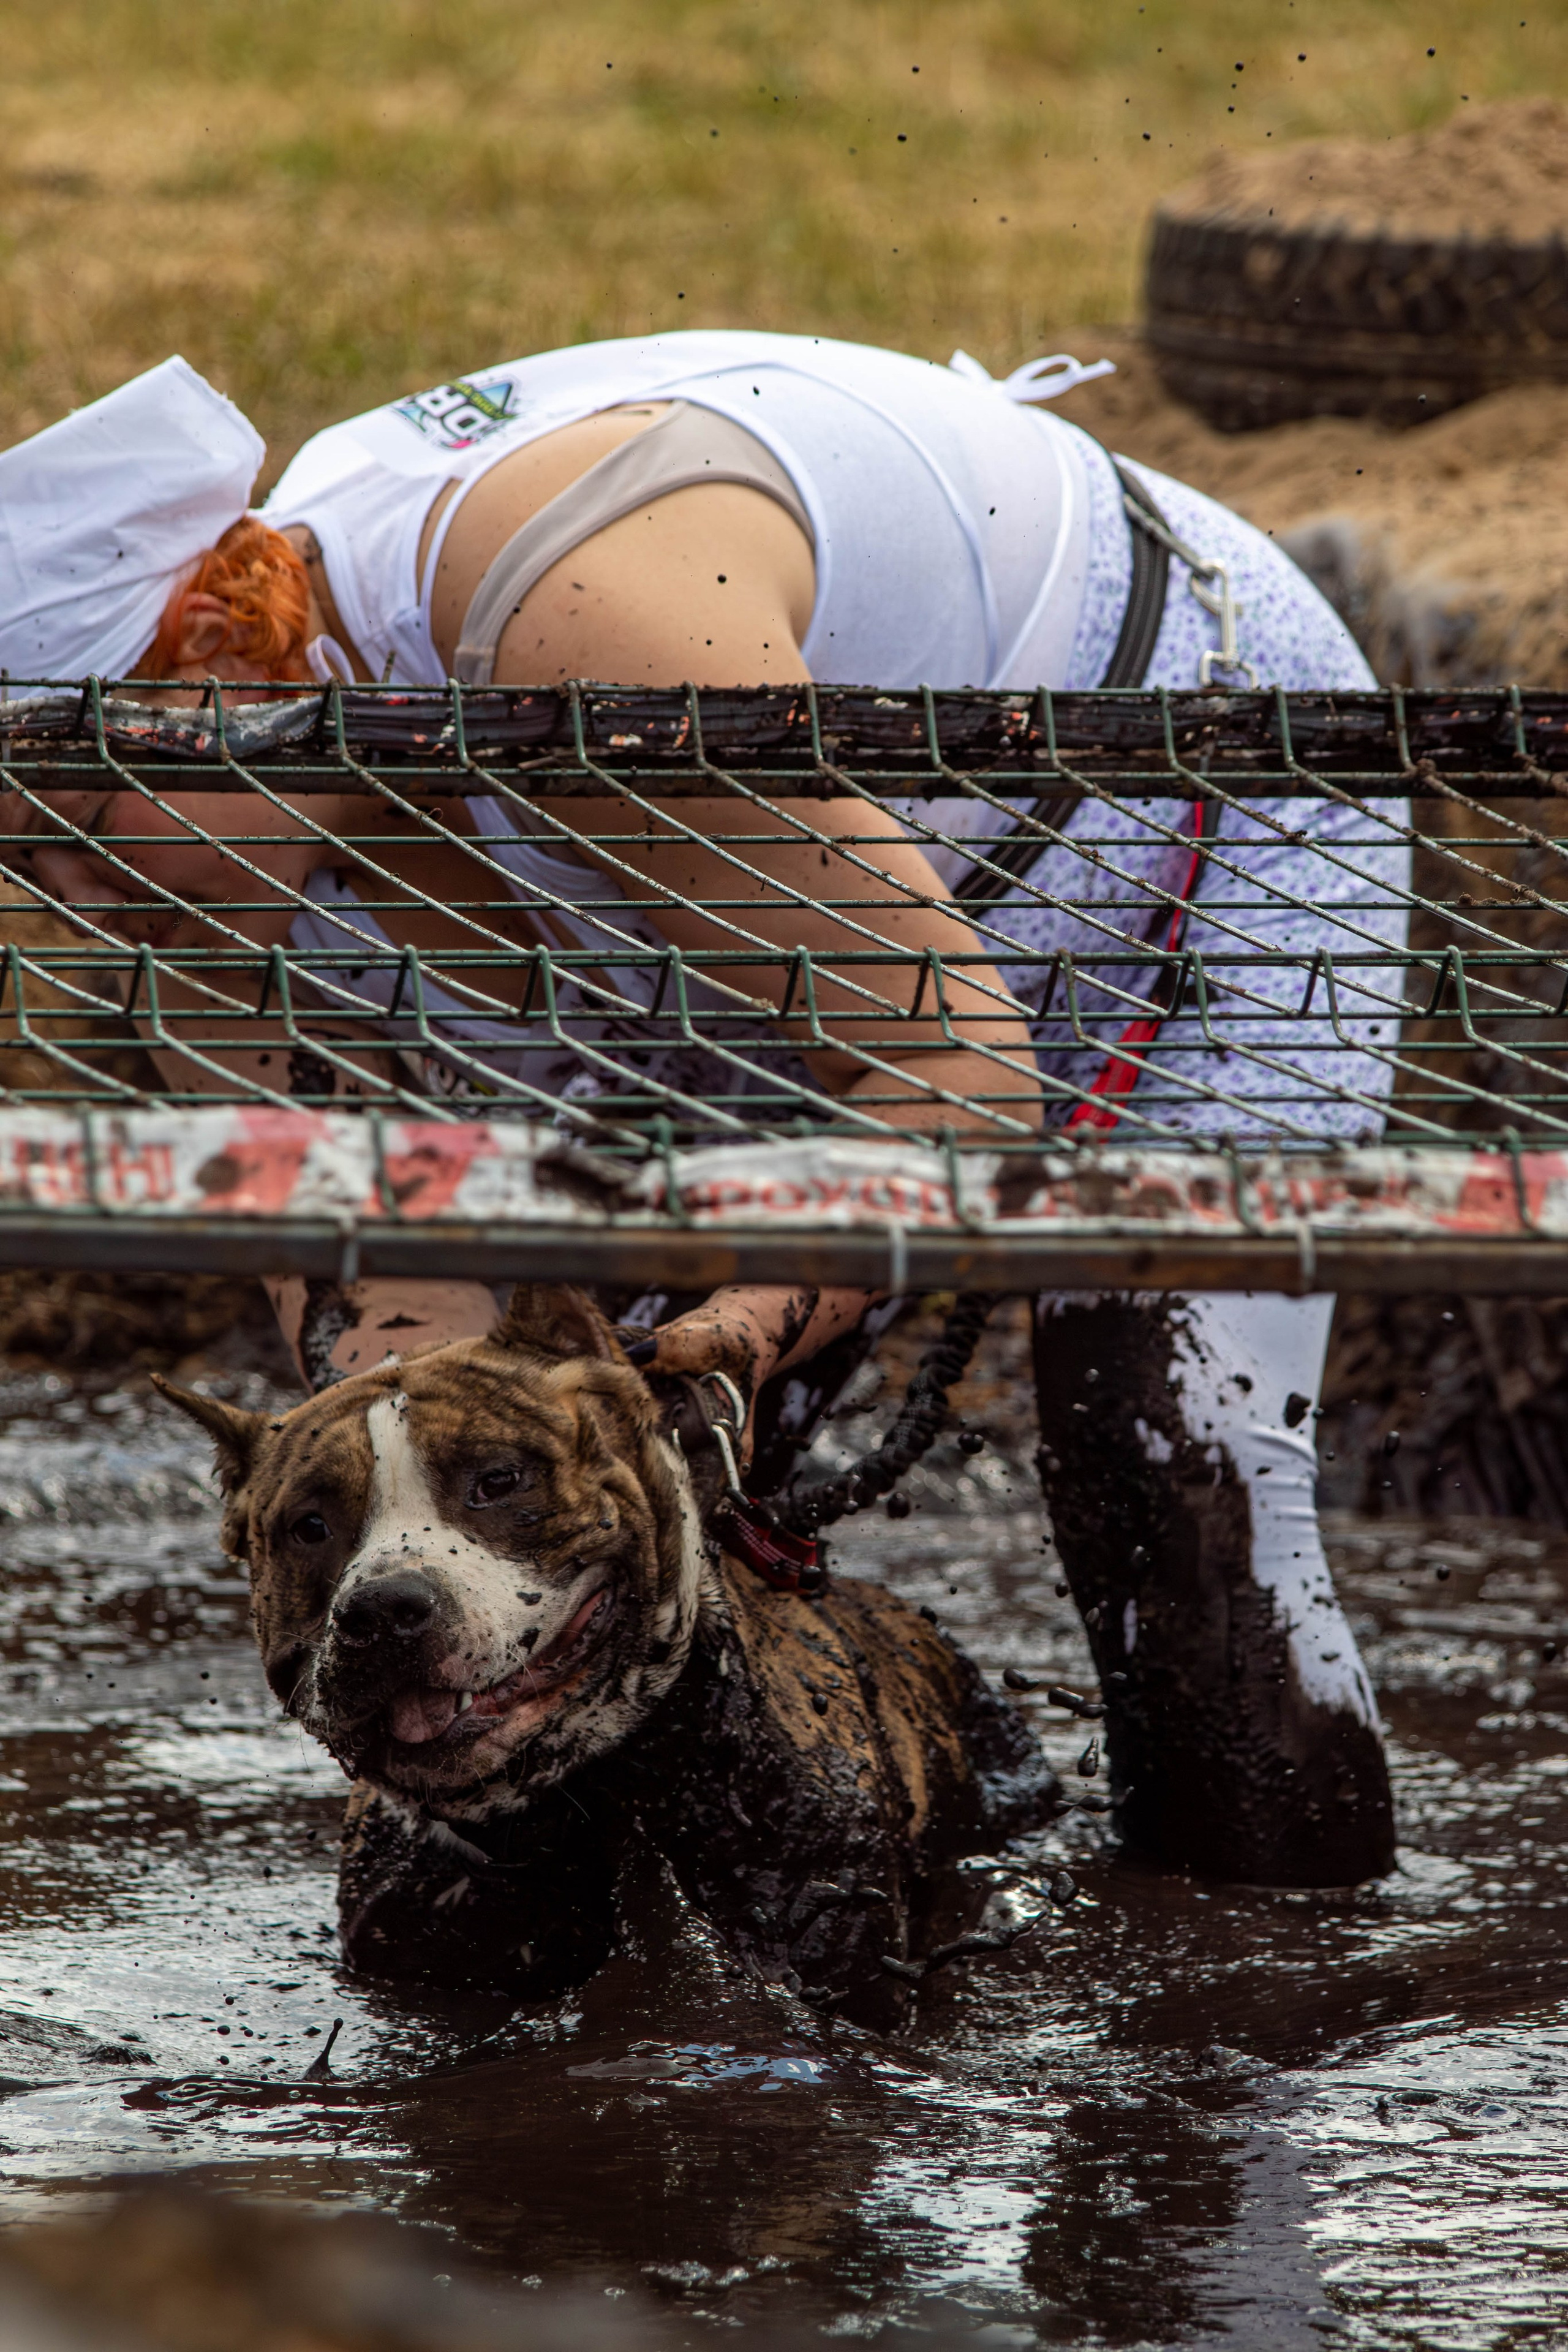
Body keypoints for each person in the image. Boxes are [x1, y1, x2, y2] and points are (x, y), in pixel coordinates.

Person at [0, 338, 1411, 1885]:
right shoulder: (196, 893)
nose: (75, 892)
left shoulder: (569, 614)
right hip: (761, 940)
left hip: (1173, 803)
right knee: (568, 1530)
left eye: (70, 813)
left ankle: (1256, 2031)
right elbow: (388, 1290)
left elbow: (957, 1077)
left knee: (1160, 1466)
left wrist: (731, 1345)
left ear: (220, 649)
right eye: (20, 859)